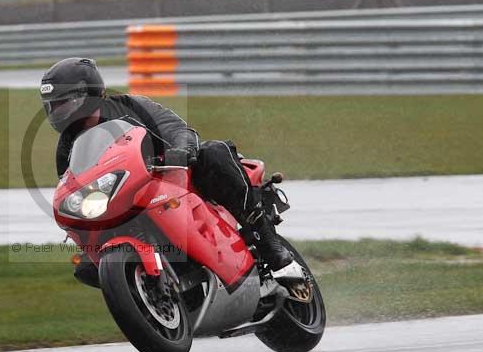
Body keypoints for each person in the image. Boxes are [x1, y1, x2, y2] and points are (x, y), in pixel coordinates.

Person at [40, 57, 304, 285]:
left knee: (214, 152)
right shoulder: (67, 147)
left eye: (64, 103)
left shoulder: (131, 106)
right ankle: (149, 290)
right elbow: (74, 186)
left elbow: (178, 129)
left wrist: (182, 150)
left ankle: (270, 246)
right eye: (53, 106)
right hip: (128, 199)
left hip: (176, 177)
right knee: (87, 268)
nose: (58, 112)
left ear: (88, 94)